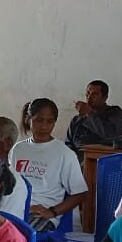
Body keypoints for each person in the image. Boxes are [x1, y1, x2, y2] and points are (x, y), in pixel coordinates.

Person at [10, 98, 89, 232]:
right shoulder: (18, 149)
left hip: (40, 214)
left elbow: (80, 193)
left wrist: (52, 211)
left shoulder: (64, 154)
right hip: (15, 208)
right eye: (39, 120)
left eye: (50, 121)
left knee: (16, 235)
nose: (44, 126)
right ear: (28, 119)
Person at [64, 80, 122, 153]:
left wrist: (89, 114)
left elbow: (111, 135)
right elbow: (68, 143)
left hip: (103, 155)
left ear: (104, 98)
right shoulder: (77, 119)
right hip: (77, 156)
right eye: (87, 94)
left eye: (94, 94)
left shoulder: (115, 112)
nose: (89, 97)